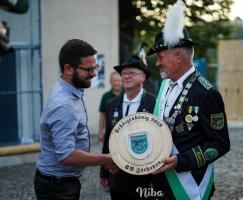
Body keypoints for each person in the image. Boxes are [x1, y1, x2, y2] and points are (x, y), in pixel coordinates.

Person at [146, 1, 230, 199]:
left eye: (160, 57)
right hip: (162, 182)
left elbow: (219, 144)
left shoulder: (206, 93)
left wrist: (180, 161)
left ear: (178, 56)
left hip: (190, 183)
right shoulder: (165, 85)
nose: (157, 63)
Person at [34, 39, 118, 200]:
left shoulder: (70, 89)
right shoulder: (64, 104)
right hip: (57, 186)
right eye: (89, 69)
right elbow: (67, 156)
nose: (94, 73)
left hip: (59, 181)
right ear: (68, 69)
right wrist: (107, 159)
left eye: (95, 67)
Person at [100, 55, 156, 200]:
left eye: (131, 73)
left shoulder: (155, 103)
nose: (126, 76)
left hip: (144, 178)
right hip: (117, 176)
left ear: (143, 77)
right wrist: (103, 173)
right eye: (123, 73)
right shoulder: (111, 104)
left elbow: (159, 140)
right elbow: (108, 138)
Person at [98, 72, 122, 143]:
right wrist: (100, 131)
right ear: (110, 82)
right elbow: (102, 115)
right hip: (110, 131)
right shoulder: (106, 96)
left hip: (124, 130)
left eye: (119, 81)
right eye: (114, 81)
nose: (117, 83)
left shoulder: (126, 95)